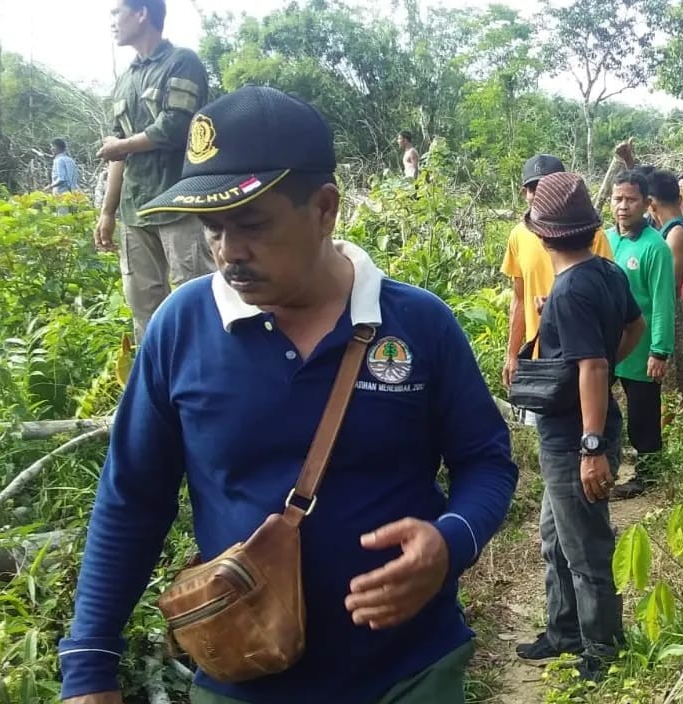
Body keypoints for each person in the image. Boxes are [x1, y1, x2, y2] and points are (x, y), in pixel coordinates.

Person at [58, 86, 519, 704]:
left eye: (251, 225)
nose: (228, 253)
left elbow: (485, 460)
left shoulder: (417, 325)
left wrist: (451, 540)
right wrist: (89, 664)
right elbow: (131, 499)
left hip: (409, 674)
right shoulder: (181, 329)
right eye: (213, 228)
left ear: (325, 209)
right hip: (240, 678)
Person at [513, 171, 644, 682]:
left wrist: (591, 449)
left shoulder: (570, 290)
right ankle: (563, 629)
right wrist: (604, 359)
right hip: (578, 432)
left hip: (574, 439)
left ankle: (602, 651)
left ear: (542, 235)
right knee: (554, 535)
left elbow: (590, 366)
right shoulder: (606, 274)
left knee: (585, 546)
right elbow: (632, 325)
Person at [94, 0, 216, 344]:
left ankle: (212, 379)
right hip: (135, 211)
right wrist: (107, 212)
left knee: (198, 298)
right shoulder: (124, 80)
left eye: (117, 13)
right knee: (144, 309)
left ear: (142, 13)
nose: (112, 22)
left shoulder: (182, 62)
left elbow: (176, 126)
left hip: (179, 203)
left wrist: (121, 146)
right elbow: (118, 152)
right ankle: (158, 389)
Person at [500, 154, 613, 425]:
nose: (536, 195)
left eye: (545, 187)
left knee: (587, 434)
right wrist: (513, 354)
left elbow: (608, 294)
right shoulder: (518, 235)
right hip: (540, 362)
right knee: (547, 444)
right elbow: (519, 298)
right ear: (523, 192)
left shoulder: (592, 235)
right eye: (531, 188)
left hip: (582, 357)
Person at [604, 171, 675, 501]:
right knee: (602, 411)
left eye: (631, 199)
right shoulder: (603, 241)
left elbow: (662, 302)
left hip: (642, 348)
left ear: (646, 204)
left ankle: (648, 474)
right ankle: (605, 466)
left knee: (643, 416)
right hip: (606, 346)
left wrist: (659, 351)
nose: (623, 206)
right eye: (618, 198)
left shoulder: (655, 247)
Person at [645, 169, 683, 412]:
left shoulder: (676, 234)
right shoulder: (669, 228)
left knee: (674, 380)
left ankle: (671, 435)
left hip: (672, 313)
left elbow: (669, 285)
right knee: (680, 377)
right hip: (670, 311)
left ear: (651, 203)